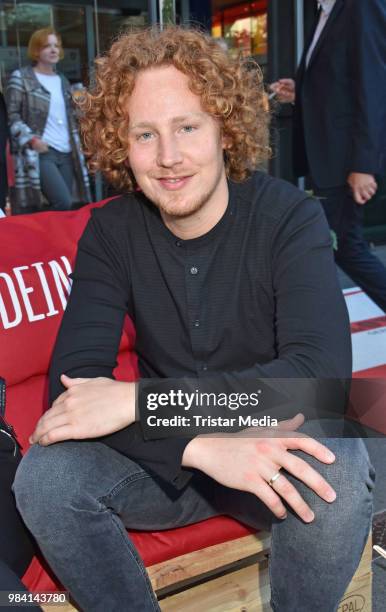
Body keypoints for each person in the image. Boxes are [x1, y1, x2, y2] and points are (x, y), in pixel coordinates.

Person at [13, 27, 374, 612]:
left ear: (224, 130)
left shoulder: (289, 217)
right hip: (167, 470)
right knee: (46, 478)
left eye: (187, 127)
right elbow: (72, 391)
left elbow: (319, 375)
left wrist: (140, 404)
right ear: (120, 145)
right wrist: (199, 444)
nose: (168, 157)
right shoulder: (110, 233)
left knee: (336, 461)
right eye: (145, 134)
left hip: (271, 450)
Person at [270, 0, 386, 311]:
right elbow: (340, 83)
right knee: (340, 246)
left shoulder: (360, 7)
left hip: (345, 160)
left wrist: (364, 164)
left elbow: (373, 87)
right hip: (327, 158)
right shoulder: (325, 12)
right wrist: (301, 91)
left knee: (347, 248)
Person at [5, 27, 91, 214]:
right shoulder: (22, 78)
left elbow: (71, 117)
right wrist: (32, 140)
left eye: (56, 46)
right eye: (46, 46)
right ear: (36, 50)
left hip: (66, 152)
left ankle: (53, 241)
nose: (53, 50)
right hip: (42, 152)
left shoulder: (63, 80)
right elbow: (11, 117)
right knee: (63, 201)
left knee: (65, 209)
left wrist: (82, 104)